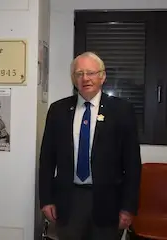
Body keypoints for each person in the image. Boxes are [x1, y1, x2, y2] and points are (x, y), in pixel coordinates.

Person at [38, 52, 142, 240]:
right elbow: (46, 159)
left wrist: (128, 207)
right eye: (79, 73)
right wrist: (45, 200)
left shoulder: (122, 111)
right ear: (73, 78)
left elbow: (133, 164)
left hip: (108, 202)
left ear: (102, 76)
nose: (85, 78)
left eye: (91, 73)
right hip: (69, 201)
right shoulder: (58, 110)